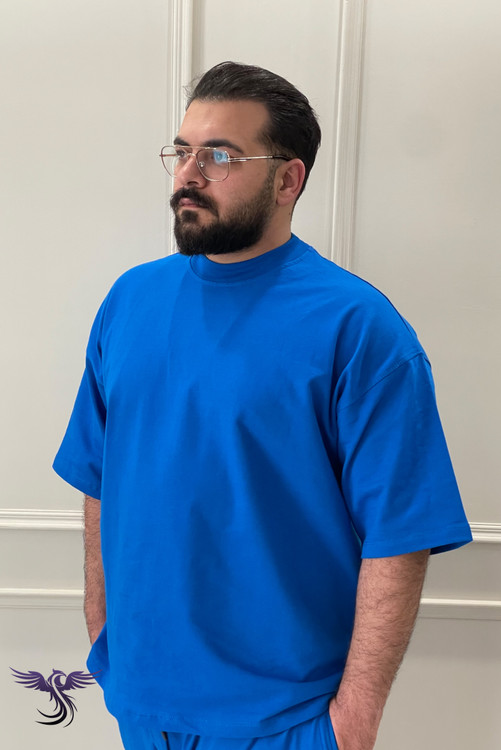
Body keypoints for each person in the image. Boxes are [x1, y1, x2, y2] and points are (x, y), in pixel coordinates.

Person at [53, 61, 472, 750]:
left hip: (286, 720)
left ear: (287, 180)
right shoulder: (129, 302)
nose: (189, 174)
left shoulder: (359, 329)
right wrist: (103, 634)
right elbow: (98, 479)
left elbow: (400, 535)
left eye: (219, 155)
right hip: (142, 705)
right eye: (182, 151)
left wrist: (352, 723)